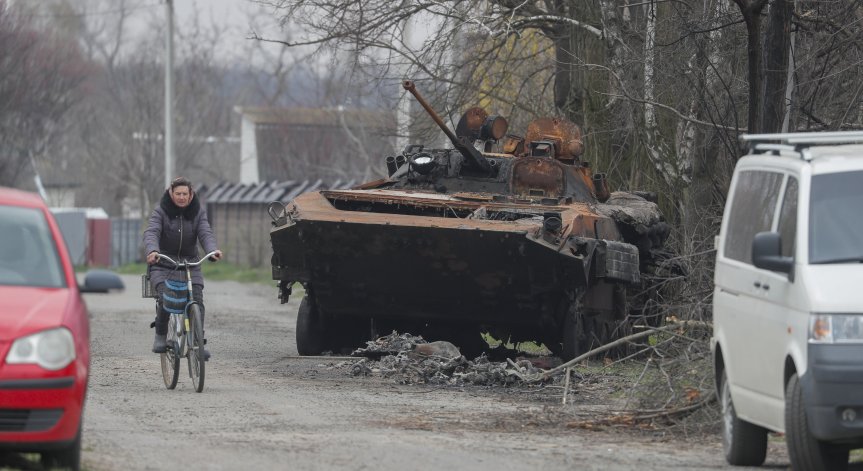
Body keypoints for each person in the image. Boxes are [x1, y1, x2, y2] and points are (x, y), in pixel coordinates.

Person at [143, 177, 222, 359]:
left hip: (189, 264)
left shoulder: (198, 212)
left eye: (184, 194)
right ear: (171, 194)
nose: (181, 197)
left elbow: (205, 232)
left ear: (191, 194)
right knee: (165, 299)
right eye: (177, 194)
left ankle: (197, 343)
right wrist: (153, 250)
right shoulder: (160, 211)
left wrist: (212, 250)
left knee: (197, 301)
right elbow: (152, 232)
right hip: (163, 263)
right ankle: (161, 336)